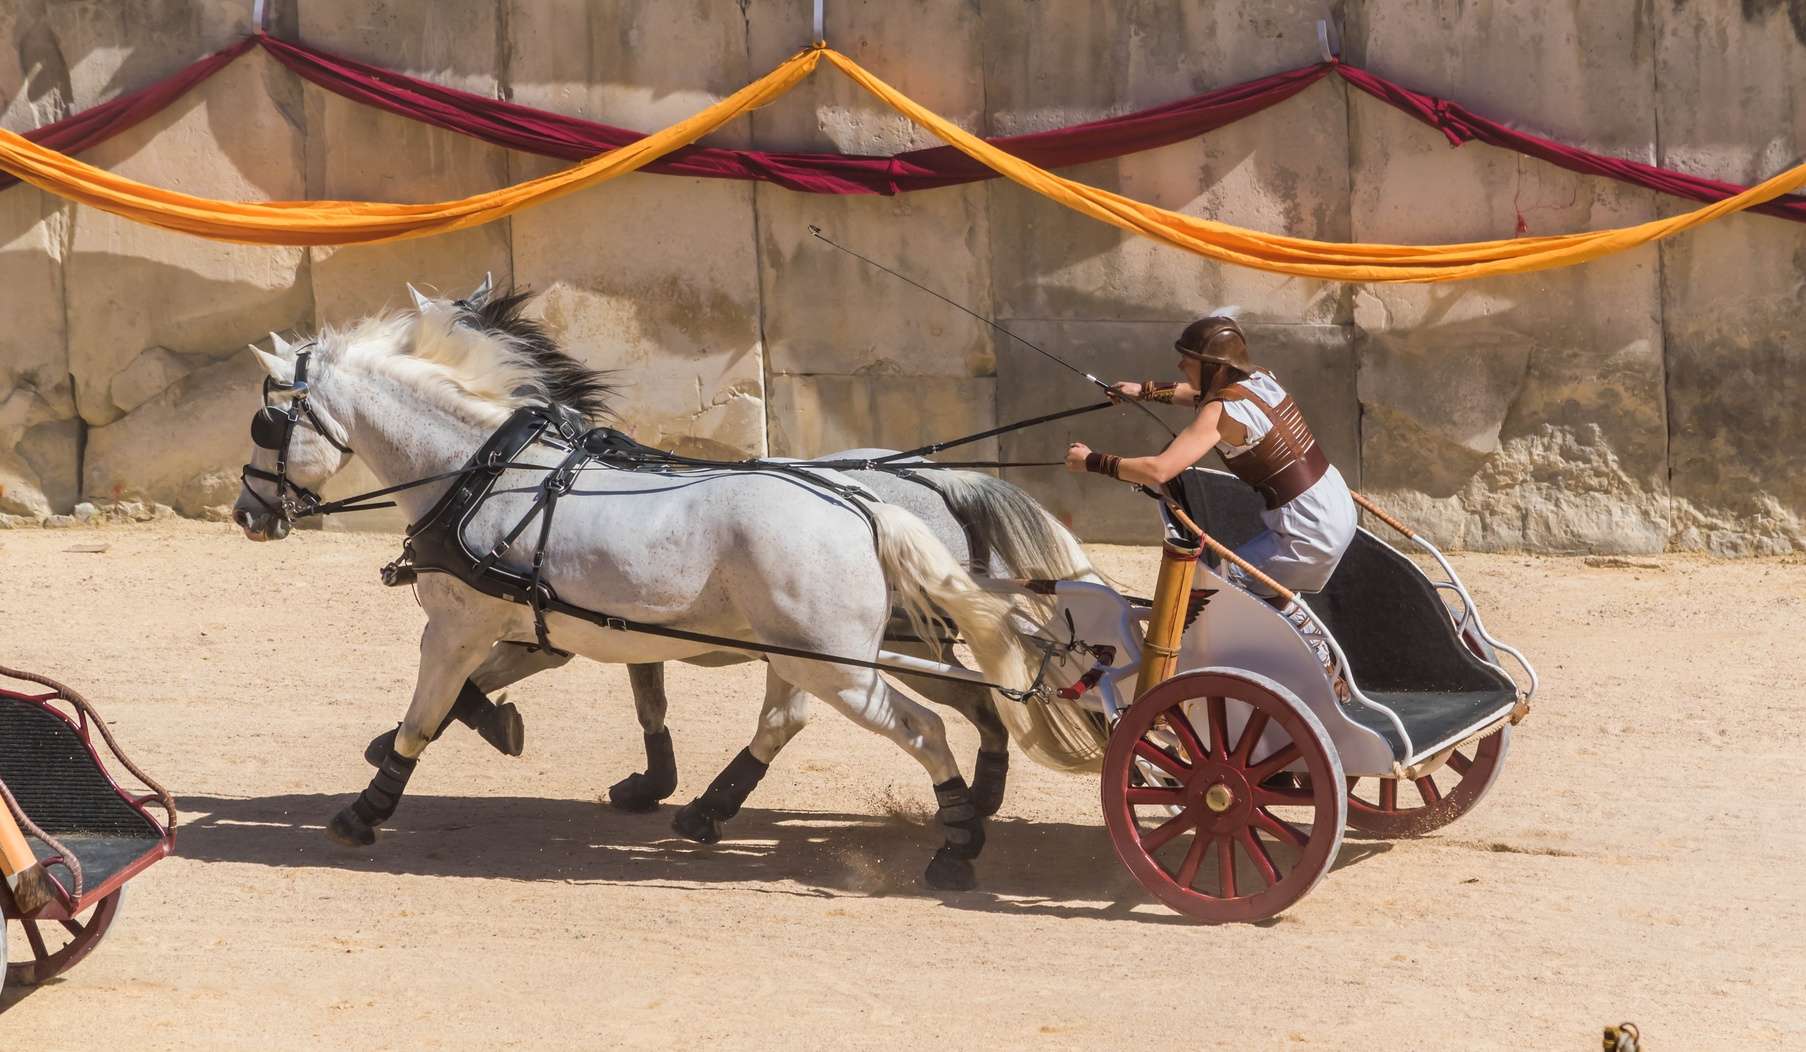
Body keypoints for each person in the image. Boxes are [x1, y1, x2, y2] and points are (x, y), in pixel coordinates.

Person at [1063, 314, 1357, 607]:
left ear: (1214, 368)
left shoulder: (1220, 413)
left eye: (1188, 360)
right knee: (1257, 591)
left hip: (1308, 528)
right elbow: (1201, 395)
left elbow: (1159, 470)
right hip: (1333, 501)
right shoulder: (1260, 380)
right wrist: (1145, 390)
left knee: (1221, 594)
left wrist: (1091, 461)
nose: (1180, 365)